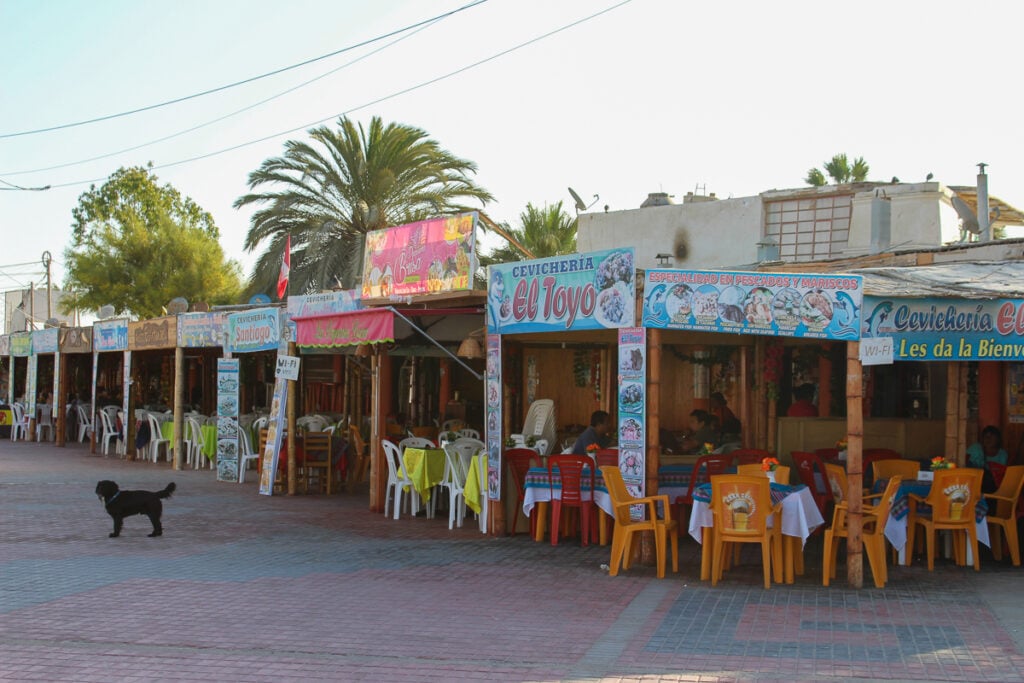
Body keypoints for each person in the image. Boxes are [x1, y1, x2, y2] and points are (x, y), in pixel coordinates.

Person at [967, 425, 1008, 494]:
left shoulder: (1002, 454)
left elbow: (1002, 475)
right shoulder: (975, 448)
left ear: (998, 439)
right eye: (985, 436)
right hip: (973, 485)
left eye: (991, 436)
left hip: (993, 489)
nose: (988, 439)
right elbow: (963, 463)